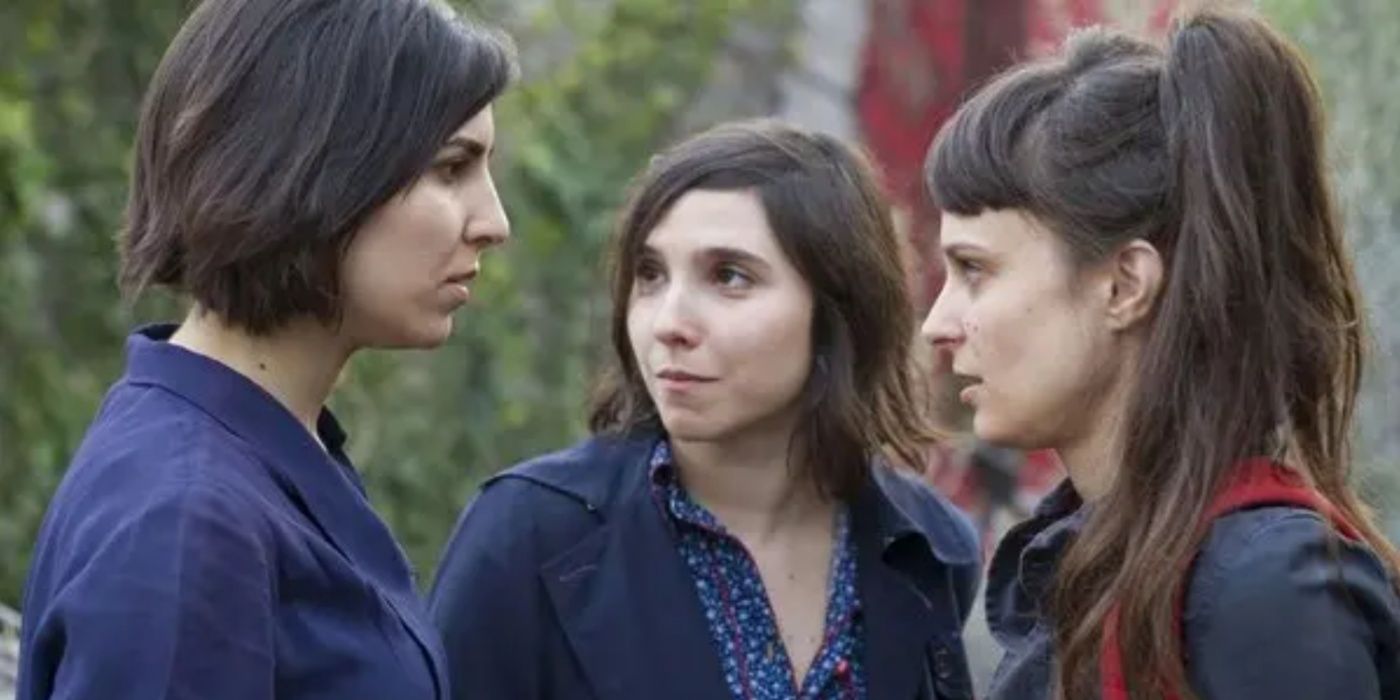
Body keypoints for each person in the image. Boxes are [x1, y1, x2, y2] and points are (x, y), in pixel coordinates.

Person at [17, 1, 514, 698]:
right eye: (450, 168)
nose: (493, 222)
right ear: (308, 167)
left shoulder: (268, 453)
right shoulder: (189, 521)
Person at [921, 6, 1400, 700]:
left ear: (1124, 285)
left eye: (974, 270)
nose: (938, 323)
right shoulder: (1092, 568)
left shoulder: (1267, 593)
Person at [429, 120, 982, 700]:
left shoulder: (927, 550)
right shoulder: (531, 533)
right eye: (650, 276)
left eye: (729, 277)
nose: (669, 323)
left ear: (838, 310)